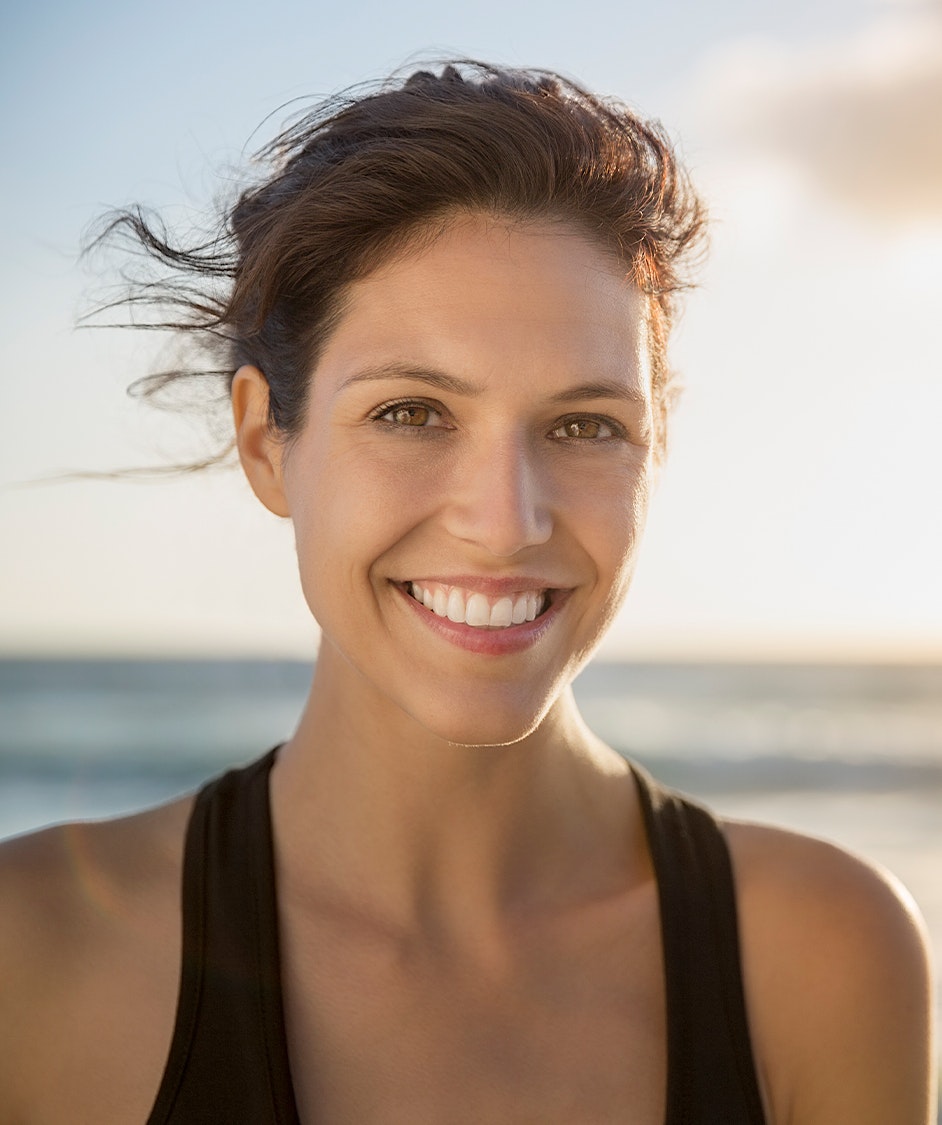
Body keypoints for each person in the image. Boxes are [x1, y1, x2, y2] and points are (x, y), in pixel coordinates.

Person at [0, 61, 934, 1124]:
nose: (506, 522)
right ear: (265, 439)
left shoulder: (820, 956)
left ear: (655, 451)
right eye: (412, 413)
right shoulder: (31, 955)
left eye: (585, 426)